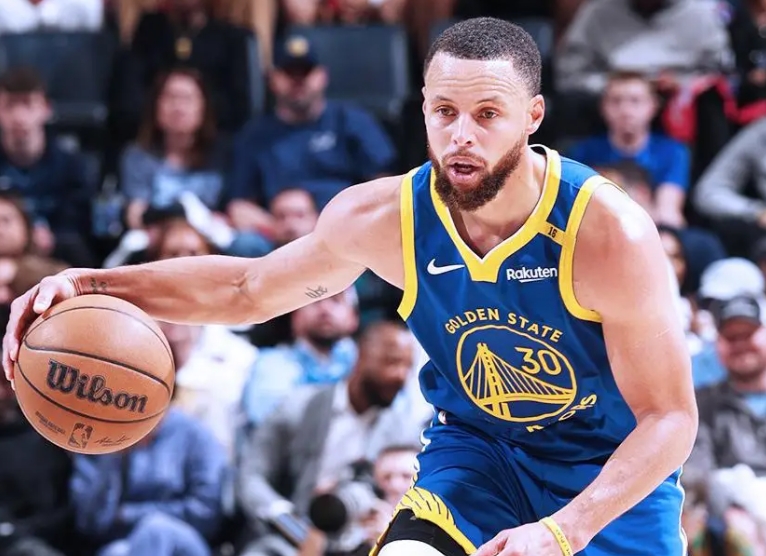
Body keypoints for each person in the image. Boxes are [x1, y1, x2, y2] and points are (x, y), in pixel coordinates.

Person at [2, 17, 697, 556]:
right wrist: (91, 282)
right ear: (422, 108)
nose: (461, 135)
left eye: (488, 114)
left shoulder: (607, 233)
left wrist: (564, 529)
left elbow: (670, 418)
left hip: (607, 480)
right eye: (444, 111)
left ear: (533, 116)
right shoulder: (385, 218)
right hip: (479, 459)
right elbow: (247, 288)